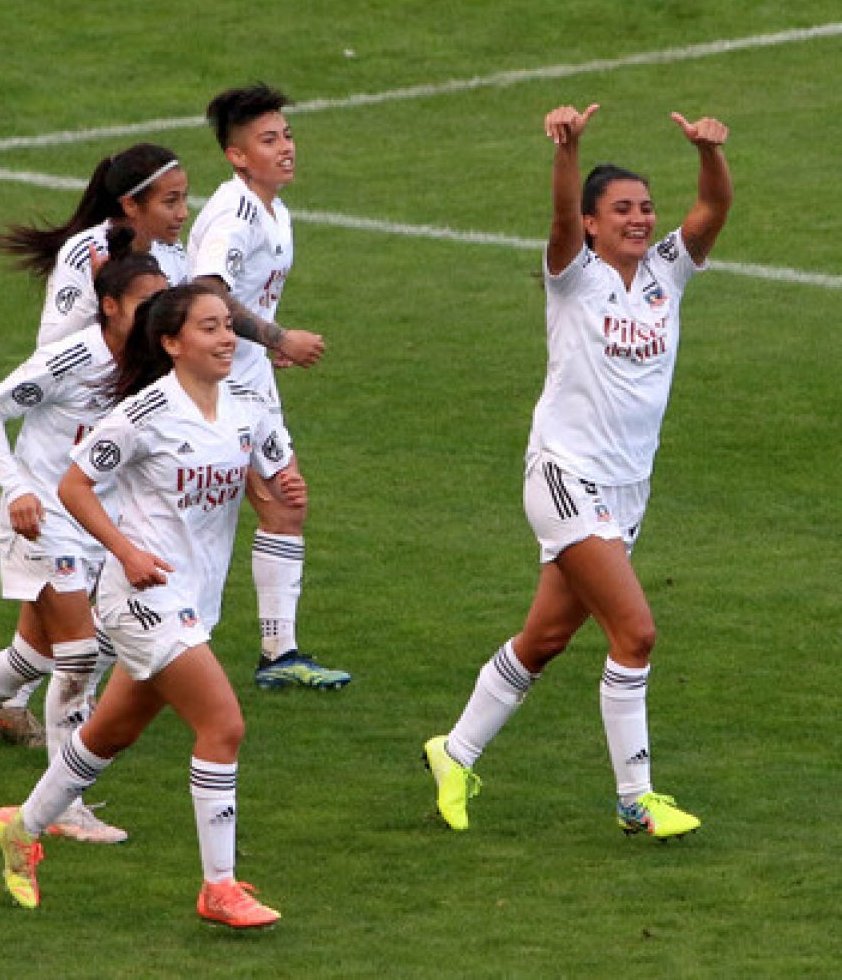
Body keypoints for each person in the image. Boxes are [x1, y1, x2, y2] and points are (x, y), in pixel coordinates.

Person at [424, 103, 732, 839]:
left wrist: (708, 153)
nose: (639, 218)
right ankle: (636, 797)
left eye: (645, 207)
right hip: (566, 475)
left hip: (627, 488)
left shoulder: (666, 272)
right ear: (592, 223)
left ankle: (454, 751)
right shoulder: (572, 274)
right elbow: (560, 216)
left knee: (546, 638)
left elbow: (714, 206)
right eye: (621, 208)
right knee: (636, 633)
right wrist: (568, 151)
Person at [0, 282, 302, 928]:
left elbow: (247, 471)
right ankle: (219, 888)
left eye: (227, 327)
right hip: (142, 596)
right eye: (210, 328)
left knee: (110, 732)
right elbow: (73, 487)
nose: (225, 338)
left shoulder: (242, 407)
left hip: (196, 597)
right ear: (171, 343)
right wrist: (124, 551)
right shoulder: (143, 413)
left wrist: (272, 494)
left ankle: (21, 828)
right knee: (224, 725)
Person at [0, 235, 168, 844]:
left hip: (98, 522)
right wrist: (16, 488)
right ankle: (65, 805)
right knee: (77, 656)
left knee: (36, 658)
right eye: (145, 302)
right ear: (110, 307)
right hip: (40, 516)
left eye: (163, 300)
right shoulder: (71, 359)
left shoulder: (154, 364)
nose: (157, 312)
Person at [0, 143, 192, 745]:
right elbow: (58, 348)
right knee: (78, 630)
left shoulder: (170, 258)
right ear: (131, 204)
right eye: (170, 200)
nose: (182, 211)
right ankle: (67, 773)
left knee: (48, 628)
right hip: (65, 450)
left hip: (117, 450)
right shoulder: (87, 251)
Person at [188, 82, 350, 691]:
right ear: (236, 155)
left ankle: (279, 655)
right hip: (217, 386)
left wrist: (258, 341)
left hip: (247, 377)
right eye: (268, 140)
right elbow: (208, 291)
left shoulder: (274, 211)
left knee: (286, 504)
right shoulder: (234, 213)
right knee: (196, 525)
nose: (286, 148)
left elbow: (237, 303)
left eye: (286, 135)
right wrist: (277, 337)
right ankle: (70, 658)